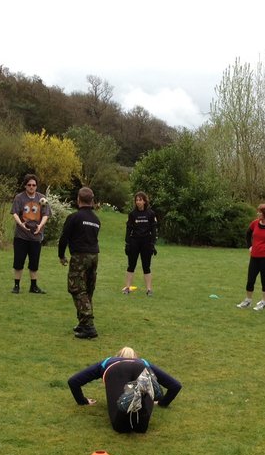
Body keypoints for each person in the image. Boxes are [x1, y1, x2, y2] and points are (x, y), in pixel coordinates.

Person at [68, 346, 182, 433]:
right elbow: (175, 386)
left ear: (117, 356)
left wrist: (83, 401)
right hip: (142, 369)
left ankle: (130, 400)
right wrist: (162, 403)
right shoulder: (144, 362)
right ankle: (140, 398)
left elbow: (74, 381)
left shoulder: (107, 361)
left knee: (120, 427)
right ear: (136, 357)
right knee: (141, 429)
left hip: (115, 370)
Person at [58, 187, 101, 339]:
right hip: (94, 256)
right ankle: (82, 323)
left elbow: (64, 238)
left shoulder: (74, 217)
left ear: (78, 199)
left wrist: (61, 255)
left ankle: (88, 326)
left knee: (77, 288)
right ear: (92, 200)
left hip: (79, 256)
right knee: (88, 289)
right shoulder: (96, 220)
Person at [10, 174, 51, 294]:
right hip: (21, 236)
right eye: (29, 185)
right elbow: (15, 213)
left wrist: (40, 226)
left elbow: (46, 214)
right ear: (25, 186)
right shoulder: (19, 198)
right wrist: (21, 224)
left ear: (36, 186)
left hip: (36, 236)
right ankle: (16, 286)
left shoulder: (42, 198)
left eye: (34, 185)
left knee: (34, 263)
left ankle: (34, 287)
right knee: (18, 262)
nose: (31, 187)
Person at [123, 191, 158, 295]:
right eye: (137, 200)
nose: (138, 202)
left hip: (146, 242)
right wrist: (127, 243)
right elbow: (128, 229)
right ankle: (127, 288)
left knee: (146, 266)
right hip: (134, 242)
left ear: (144, 201)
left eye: (140, 200)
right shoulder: (132, 214)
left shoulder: (150, 213)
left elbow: (154, 230)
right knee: (131, 265)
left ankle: (149, 290)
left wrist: (152, 244)